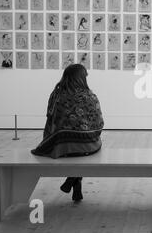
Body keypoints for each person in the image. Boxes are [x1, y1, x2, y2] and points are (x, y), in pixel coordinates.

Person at [31, 64, 104, 201]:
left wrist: (50, 140)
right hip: (89, 147)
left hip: (61, 147)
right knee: (85, 149)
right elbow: (99, 123)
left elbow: (50, 119)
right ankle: (74, 180)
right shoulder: (90, 96)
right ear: (81, 78)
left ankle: (73, 180)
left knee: (72, 148)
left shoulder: (57, 95)